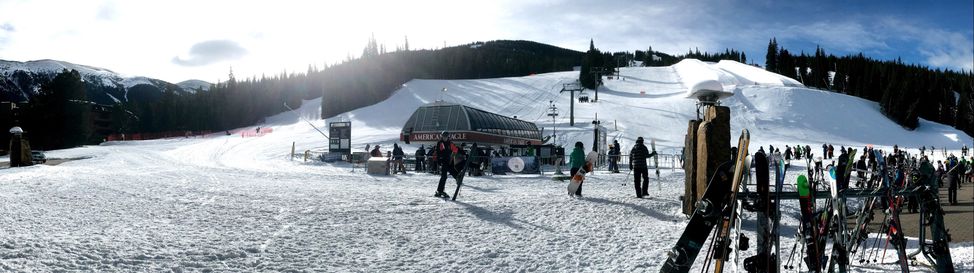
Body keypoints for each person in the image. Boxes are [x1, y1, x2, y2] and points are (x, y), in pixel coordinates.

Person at [434, 132, 463, 198]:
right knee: (444, 176)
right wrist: (439, 159)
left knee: (451, 169)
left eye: (446, 137)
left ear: (448, 137)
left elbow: (455, 149)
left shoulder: (450, 143)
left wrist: (456, 153)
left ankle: (457, 177)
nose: (445, 138)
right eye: (444, 137)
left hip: (449, 160)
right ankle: (440, 190)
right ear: (442, 137)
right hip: (444, 160)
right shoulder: (440, 143)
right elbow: (440, 151)